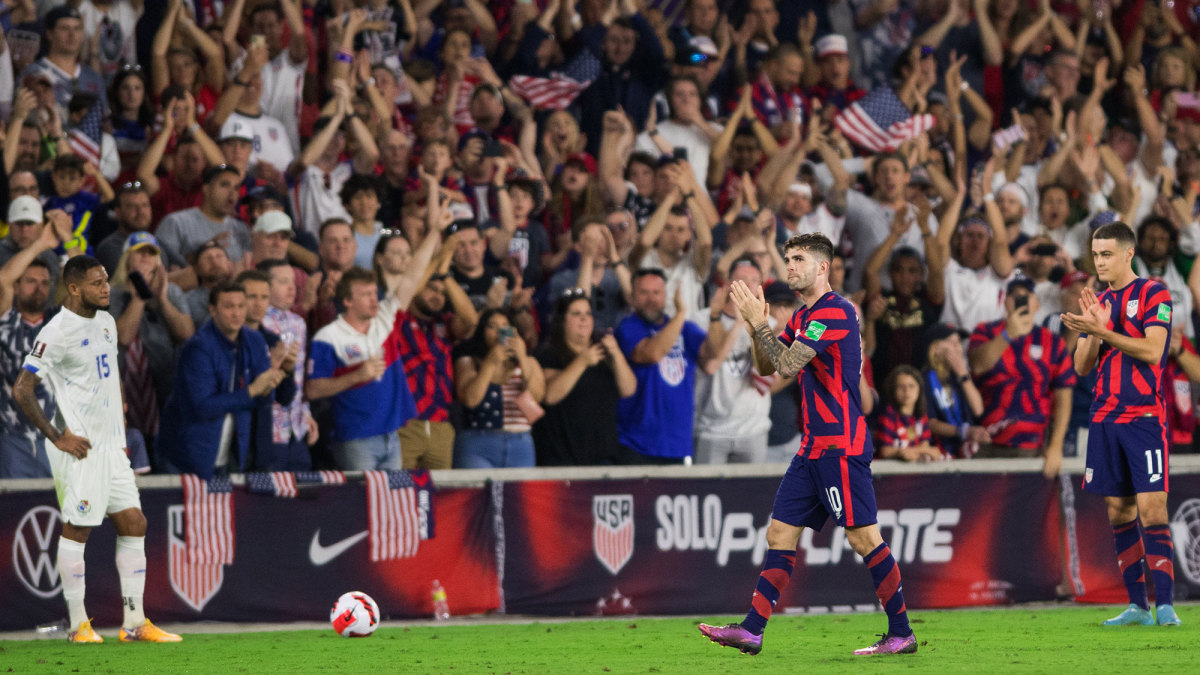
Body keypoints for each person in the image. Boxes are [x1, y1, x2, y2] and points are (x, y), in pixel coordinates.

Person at [699, 233, 915, 656]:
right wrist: (752, 323)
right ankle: (752, 630)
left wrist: (761, 325)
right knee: (779, 533)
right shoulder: (803, 317)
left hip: (841, 445)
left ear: (823, 267)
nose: (790, 265)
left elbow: (785, 366)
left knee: (864, 539)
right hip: (814, 446)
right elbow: (767, 365)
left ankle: (902, 631)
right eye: (787, 258)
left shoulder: (835, 312)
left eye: (798, 258)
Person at [13, 256, 181, 643]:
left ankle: (135, 623)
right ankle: (78, 625)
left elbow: (109, 377)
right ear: (73, 288)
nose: (106, 288)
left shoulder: (106, 321)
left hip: (111, 447)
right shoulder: (56, 332)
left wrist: (119, 435)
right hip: (80, 448)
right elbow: (22, 388)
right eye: (96, 283)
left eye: (106, 280)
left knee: (134, 523)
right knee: (79, 527)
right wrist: (58, 437)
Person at [1060, 221, 1182, 627]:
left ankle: (1165, 606)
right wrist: (1092, 330)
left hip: (1143, 417)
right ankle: (1137, 607)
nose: (1100, 262)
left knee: (1152, 507)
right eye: (1096, 255)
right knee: (1118, 510)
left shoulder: (1153, 292)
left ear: (1129, 254)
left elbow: (1153, 350)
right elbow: (1080, 367)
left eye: (1107, 254)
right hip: (1104, 417)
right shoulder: (1098, 302)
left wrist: (1104, 330)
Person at [158, 280, 297, 477]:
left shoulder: (255, 340)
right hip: (187, 455)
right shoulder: (199, 348)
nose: (236, 313)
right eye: (229, 306)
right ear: (213, 310)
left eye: (241, 306)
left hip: (231, 454)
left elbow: (264, 397)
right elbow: (202, 407)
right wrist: (252, 390)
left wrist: (275, 378)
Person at [306, 267, 417, 470]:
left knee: (391, 501)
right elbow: (312, 390)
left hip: (392, 435)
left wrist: (434, 234)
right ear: (347, 301)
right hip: (355, 439)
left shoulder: (385, 320)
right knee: (361, 500)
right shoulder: (328, 336)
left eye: (375, 293)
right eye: (366, 295)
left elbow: (412, 278)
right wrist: (357, 376)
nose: (374, 299)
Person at [967, 277, 1075, 475]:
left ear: (1037, 304)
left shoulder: (1053, 342)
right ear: (1005, 302)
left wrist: (1056, 446)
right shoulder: (985, 331)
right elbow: (978, 365)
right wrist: (1008, 334)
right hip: (986, 442)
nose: (1021, 302)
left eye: (1027, 297)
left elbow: (1064, 398)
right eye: (1015, 297)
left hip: (1031, 447)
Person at [616, 269, 713, 464]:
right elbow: (651, 353)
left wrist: (718, 315)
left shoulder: (685, 329)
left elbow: (713, 354)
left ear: (665, 295)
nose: (651, 299)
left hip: (677, 443)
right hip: (636, 442)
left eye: (656, 292)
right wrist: (681, 313)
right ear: (632, 297)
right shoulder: (628, 327)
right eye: (643, 293)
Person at [533, 290, 637, 465]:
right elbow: (550, 395)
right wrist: (582, 362)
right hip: (561, 458)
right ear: (562, 320)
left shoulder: (605, 355)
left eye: (588, 314)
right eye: (576, 314)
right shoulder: (549, 354)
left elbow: (629, 389)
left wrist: (617, 354)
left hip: (603, 457)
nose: (584, 319)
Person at [452, 308, 546, 468]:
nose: (499, 331)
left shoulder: (529, 362)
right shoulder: (469, 362)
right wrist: (490, 363)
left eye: (505, 326)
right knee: (477, 493)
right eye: (492, 326)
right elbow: (470, 400)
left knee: (518, 493)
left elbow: (536, 397)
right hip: (478, 441)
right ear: (482, 331)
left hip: (520, 443)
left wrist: (522, 358)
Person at [874, 364, 942, 462]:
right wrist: (903, 453)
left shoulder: (922, 417)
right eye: (901, 386)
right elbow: (885, 451)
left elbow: (925, 445)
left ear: (919, 390)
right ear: (893, 390)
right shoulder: (887, 416)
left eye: (911, 386)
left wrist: (917, 451)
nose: (907, 391)